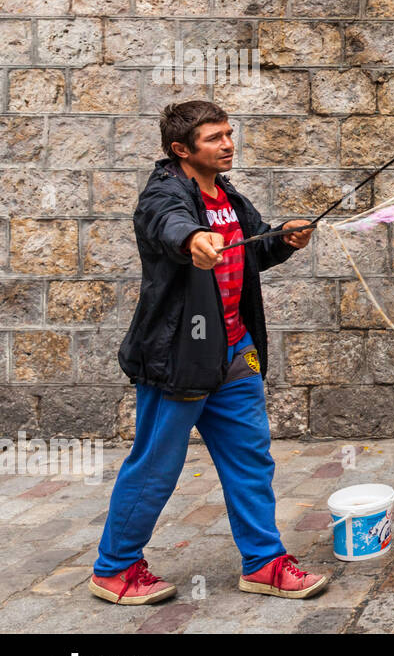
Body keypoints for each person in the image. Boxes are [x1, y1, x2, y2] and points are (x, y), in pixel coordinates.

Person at [90, 100, 329, 604]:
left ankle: (263, 563)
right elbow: (168, 224)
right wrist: (194, 236)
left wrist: (285, 240)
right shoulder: (163, 194)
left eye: (229, 133)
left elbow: (252, 252)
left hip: (236, 351)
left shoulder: (230, 198)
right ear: (181, 149)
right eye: (215, 137)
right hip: (180, 357)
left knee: (251, 461)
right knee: (156, 466)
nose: (228, 143)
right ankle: (114, 569)